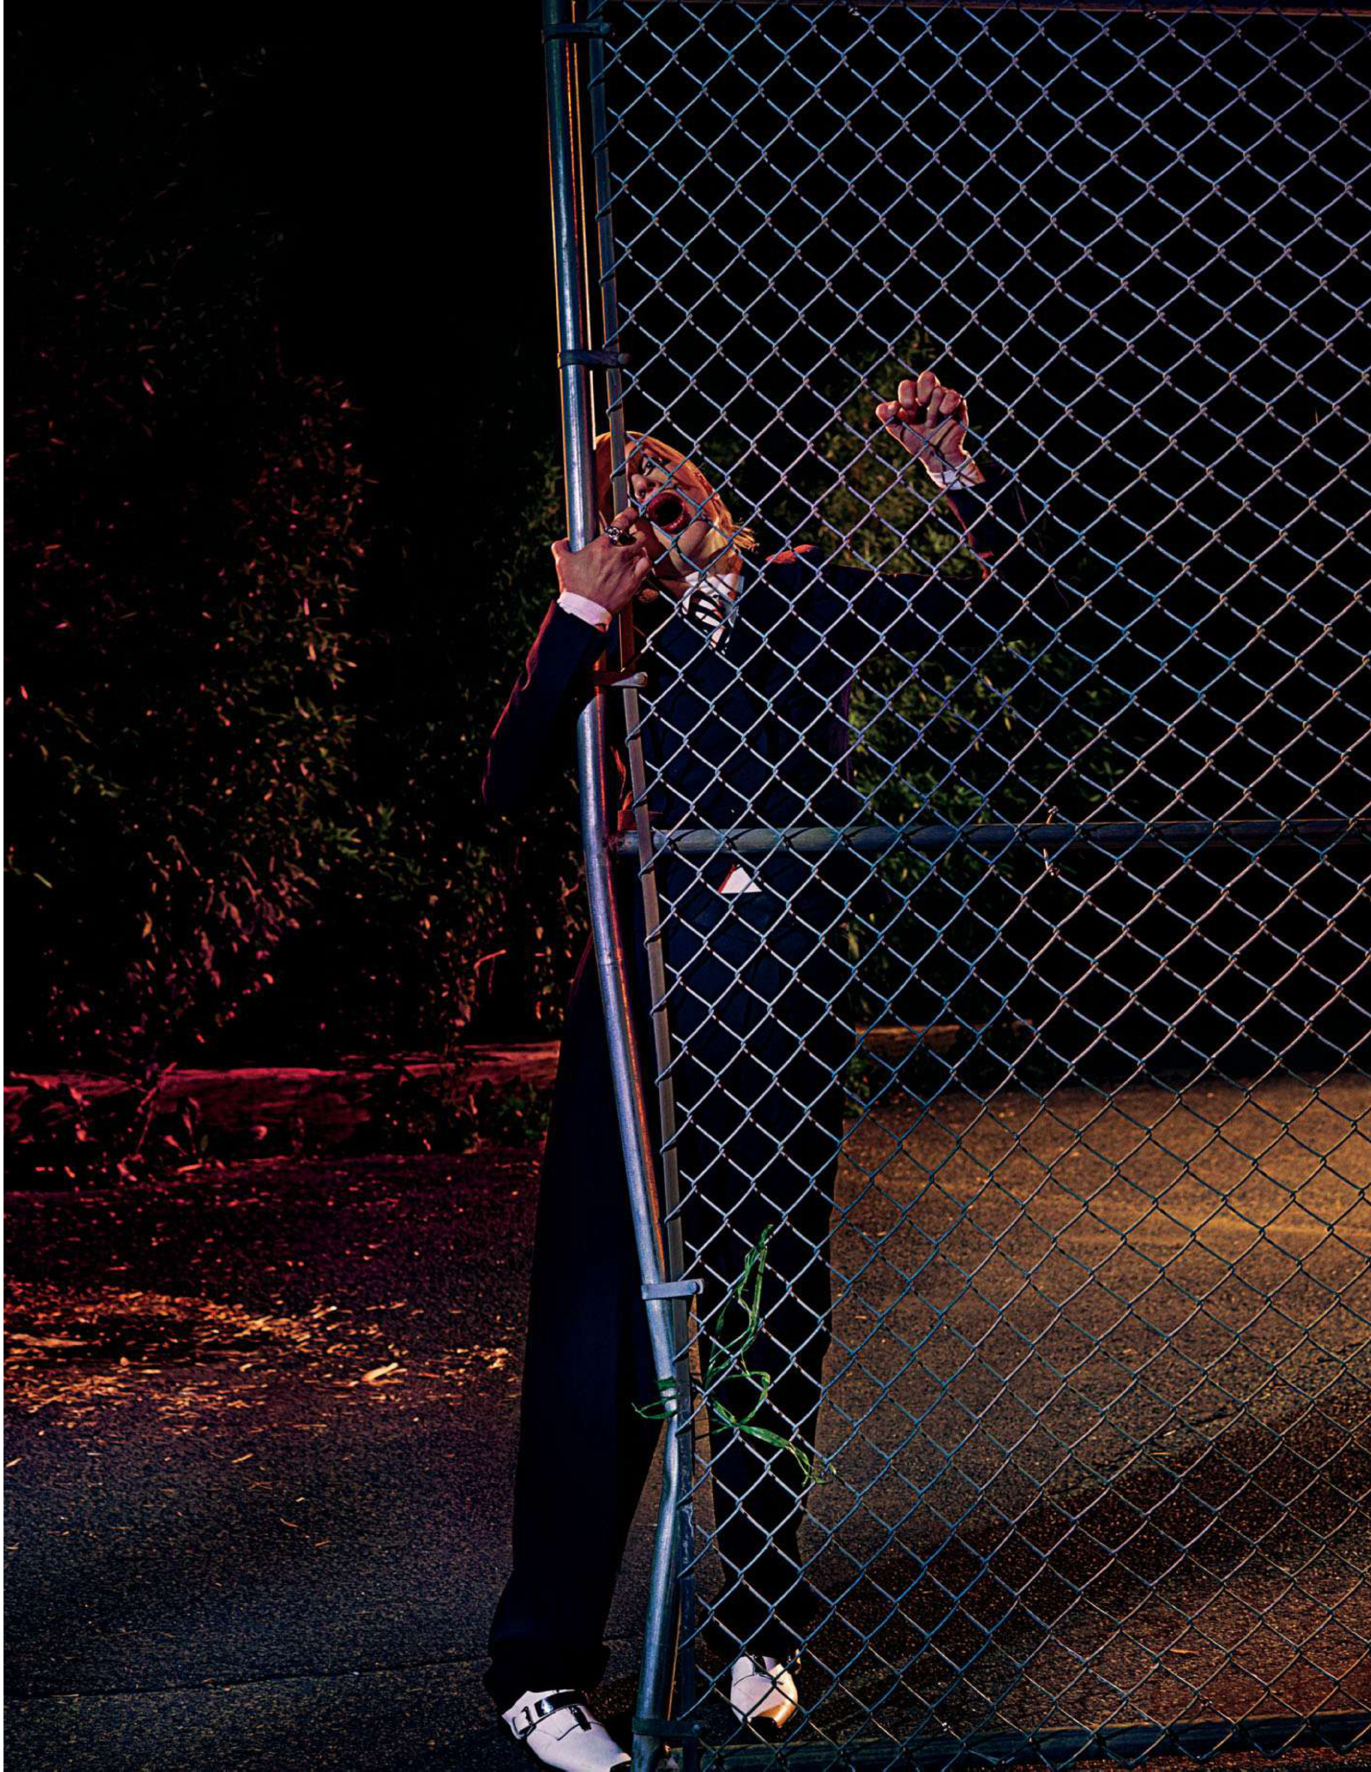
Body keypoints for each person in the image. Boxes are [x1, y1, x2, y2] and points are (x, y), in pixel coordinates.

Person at [480, 374, 1071, 1770]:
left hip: (783, 1002)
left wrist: (957, 478)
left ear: (710, 489)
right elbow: (507, 783)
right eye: (614, 488)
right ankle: (541, 1667)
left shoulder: (803, 591)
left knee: (773, 1309)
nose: (644, 488)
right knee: (598, 1329)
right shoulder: (606, 634)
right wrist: (579, 614)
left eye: (660, 464)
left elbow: (1011, 622)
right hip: (642, 1011)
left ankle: (756, 1624)